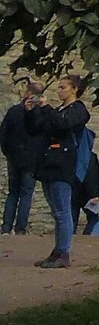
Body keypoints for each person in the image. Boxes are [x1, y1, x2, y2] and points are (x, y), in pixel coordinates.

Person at [30, 76, 91, 265]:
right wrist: (34, 111)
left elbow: (63, 124)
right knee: (57, 211)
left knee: (63, 211)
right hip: (49, 163)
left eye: (63, 87)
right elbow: (39, 128)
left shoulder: (79, 110)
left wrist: (47, 109)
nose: (59, 91)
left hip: (64, 164)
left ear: (74, 89)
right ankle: (57, 251)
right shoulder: (58, 110)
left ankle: (64, 253)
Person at [2, 78, 43, 236]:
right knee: (26, 193)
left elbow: (3, 135)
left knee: (13, 193)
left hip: (14, 157)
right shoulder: (39, 113)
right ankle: (20, 228)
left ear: (28, 93)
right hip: (31, 159)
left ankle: (6, 227)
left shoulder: (14, 111)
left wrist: (8, 153)